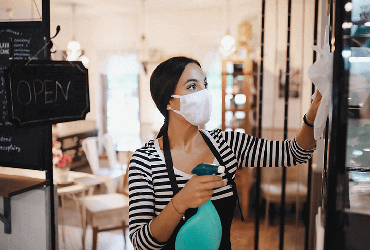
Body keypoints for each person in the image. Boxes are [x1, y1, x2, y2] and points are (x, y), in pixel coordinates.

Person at [128, 56, 321, 249]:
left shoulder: (227, 144)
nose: (204, 93)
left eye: (205, 84)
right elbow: (141, 244)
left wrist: (313, 114)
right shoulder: (145, 161)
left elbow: (295, 153)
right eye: (192, 87)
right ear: (168, 100)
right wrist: (180, 202)